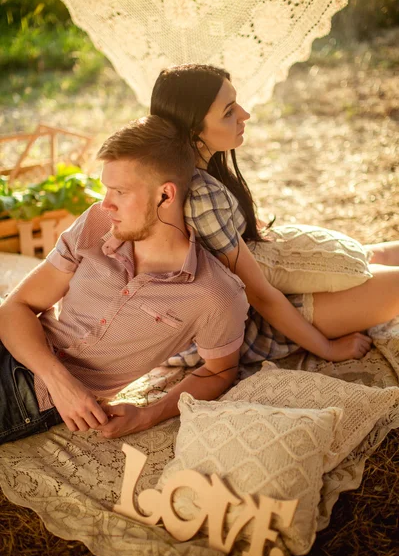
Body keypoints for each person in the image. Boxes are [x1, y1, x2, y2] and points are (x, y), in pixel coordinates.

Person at [0, 116, 249, 444]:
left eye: (119, 191)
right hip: (21, 346)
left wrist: (147, 414)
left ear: (165, 196)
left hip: (24, 397)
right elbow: (15, 307)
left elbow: (219, 371)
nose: (106, 203)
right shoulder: (96, 221)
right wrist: (59, 379)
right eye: (106, 188)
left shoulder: (215, 294)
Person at [150, 64, 399, 364]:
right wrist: (328, 348)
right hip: (255, 322)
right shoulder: (201, 197)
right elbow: (259, 295)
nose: (245, 115)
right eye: (229, 112)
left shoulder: (203, 167)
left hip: (273, 273)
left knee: (385, 254)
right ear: (194, 132)